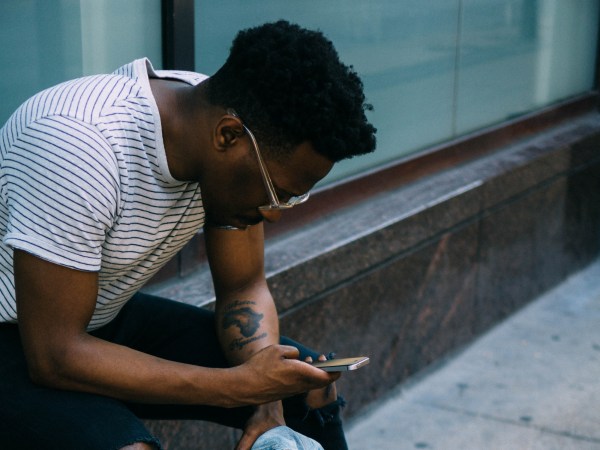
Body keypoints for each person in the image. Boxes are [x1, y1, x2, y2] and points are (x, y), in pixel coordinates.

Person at [0, 20, 376, 450]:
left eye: (292, 199)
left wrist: (268, 400)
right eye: (277, 193)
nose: (273, 215)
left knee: (307, 387)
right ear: (228, 136)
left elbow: (242, 287)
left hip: (96, 313)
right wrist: (236, 387)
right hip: (26, 336)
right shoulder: (78, 146)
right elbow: (55, 356)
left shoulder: (228, 121)